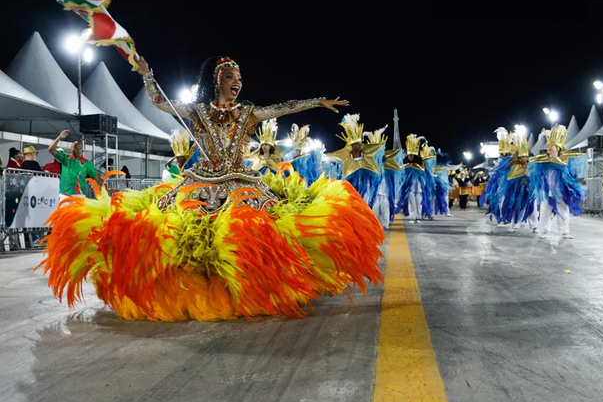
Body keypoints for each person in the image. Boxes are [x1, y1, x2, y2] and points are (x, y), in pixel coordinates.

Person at [39, 55, 382, 322]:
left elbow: (283, 106)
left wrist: (318, 101)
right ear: (218, 80)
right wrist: (147, 74)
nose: (238, 83)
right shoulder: (198, 111)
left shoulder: (248, 112)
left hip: (240, 180)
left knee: (255, 230)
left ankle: (253, 287)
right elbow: (161, 103)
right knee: (184, 234)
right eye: (232, 78)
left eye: (240, 79)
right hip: (201, 179)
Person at [529, 124, 587, 239]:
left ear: (558, 148)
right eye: (548, 146)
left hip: (561, 190)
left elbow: (571, 173)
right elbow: (536, 171)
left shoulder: (565, 160)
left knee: (563, 209)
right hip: (547, 190)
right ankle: (543, 230)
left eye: (552, 146)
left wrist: (579, 179)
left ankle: (564, 232)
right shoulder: (544, 160)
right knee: (545, 210)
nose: (549, 148)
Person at [326, 115, 385, 209]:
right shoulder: (345, 155)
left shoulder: (368, 155)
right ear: (351, 146)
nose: (358, 146)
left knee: (364, 204)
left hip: (365, 188)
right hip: (351, 187)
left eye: (359, 144)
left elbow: (380, 148)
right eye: (355, 145)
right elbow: (330, 156)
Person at [47, 131, 99, 203]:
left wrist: (106, 187)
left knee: (78, 215)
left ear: (82, 150)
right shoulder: (65, 158)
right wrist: (59, 137)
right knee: (63, 214)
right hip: (65, 195)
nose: (77, 150)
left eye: (79, 148)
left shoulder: (87, 163)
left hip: (79, 195)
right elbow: (51, 149)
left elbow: (96, 177)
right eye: (75, 148)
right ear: (70, 149)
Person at [501, 133, 537, 232]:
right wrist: (513, 159)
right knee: (516, 205)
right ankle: (515, 223)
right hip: (517, 189)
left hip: (529, 190)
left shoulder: (532, 165)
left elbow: (534, 177)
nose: (521, 159)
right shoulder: (516, 164)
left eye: (522, 157)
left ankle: (534, 225)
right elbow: (506, 168)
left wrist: (526, 181)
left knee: (531, 206)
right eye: (519, 157)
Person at [482, 127, 515, 222]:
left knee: (508, 199)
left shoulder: (508, 161)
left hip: (509, 184)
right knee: (501, 199)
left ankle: (506, 217)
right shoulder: (502, 163)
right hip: (502, 185)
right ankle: (503, 217)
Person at [399, 134, 433, 223]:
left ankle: (418, 217)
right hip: (410, 188)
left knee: (419, 201)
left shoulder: (420, 166)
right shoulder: (405, 166)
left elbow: (426, 175)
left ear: (415, 156)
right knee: (412, 202)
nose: (410, 157)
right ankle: (413, 217)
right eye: (409, 155)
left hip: (419, 187)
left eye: (412, 156)